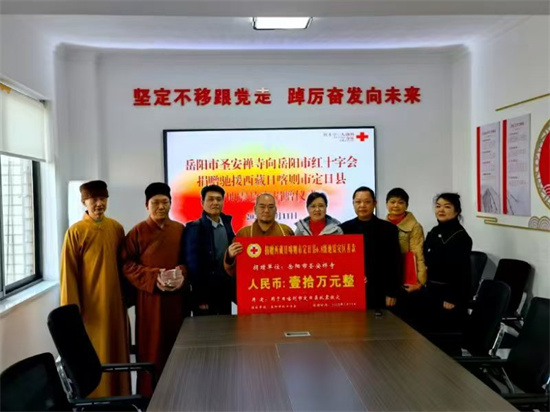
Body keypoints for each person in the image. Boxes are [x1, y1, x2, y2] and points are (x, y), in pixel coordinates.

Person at [60, 180, 130, 397]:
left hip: (116, 307)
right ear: (84, 202)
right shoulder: (76, 232)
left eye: (103, 199)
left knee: (118, 354)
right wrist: (71, 314)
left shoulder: (116, 228)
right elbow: (68, 275)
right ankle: (97, 403)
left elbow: (126, 268)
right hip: (91, 311)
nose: (99, 204)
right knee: (94, 356)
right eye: (94, 199)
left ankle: (121, 401)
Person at [122, 182, 188, 396]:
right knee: (151, 348)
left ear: (171, 203)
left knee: (177, 346)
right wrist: (153, 276)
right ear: (146, 205)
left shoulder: (179, 230)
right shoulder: (137, 232)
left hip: (176, 301)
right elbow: (127, 265)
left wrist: (181, 274)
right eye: (155, 202)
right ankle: (149, 397)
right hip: (149, 301)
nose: (161, 207)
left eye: (165, 202)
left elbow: (188, 261)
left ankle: (179, 394)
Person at [420, 193, 472, 338]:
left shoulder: (461, 237)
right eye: (438, 206)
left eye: (447, 207)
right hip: (431, 290)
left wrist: (452, 298)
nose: (441, 210)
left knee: (445, 338)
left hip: (449, 296)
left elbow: (462, 271)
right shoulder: (434, 231)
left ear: (457, 211)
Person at [340, 186, 402, 310]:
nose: (362, 205)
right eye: (358, 202)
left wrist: (392, 292)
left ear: (375, 204)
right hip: (351, 288)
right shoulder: (344, 229)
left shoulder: (388, 229)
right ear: (353, 204)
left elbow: (395, 262)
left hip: (380, 289)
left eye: (367, 202)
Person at [183, 185, 236, 316]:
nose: (215, 203)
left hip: (225, 291)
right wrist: (200, 297)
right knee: (206, 328)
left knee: (227, 327)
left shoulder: (227, 225)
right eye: (211, 199)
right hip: (205, 295)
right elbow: (193, 265)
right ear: (202, 202)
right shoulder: (194, 228)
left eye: (219, 199)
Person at [224, 193, 294, 276]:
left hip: (280, 281)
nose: (266, 210)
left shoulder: (286, 231)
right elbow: (234, 272)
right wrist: (230, 256)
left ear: (275, 210)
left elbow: (296, 262)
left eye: (271, 207)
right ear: (255, 209)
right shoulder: (243, 234)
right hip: (253, 282)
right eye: (262, 206)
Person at [385, 188, 426, 291]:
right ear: (386, 204)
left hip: (406, 275)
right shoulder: (381, 225)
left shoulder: (414, 226)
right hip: (387, 275)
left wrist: (420, 282)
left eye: (400, 202)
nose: (396, 205)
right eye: (392, 202)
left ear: (406, 205)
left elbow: (418, 255)